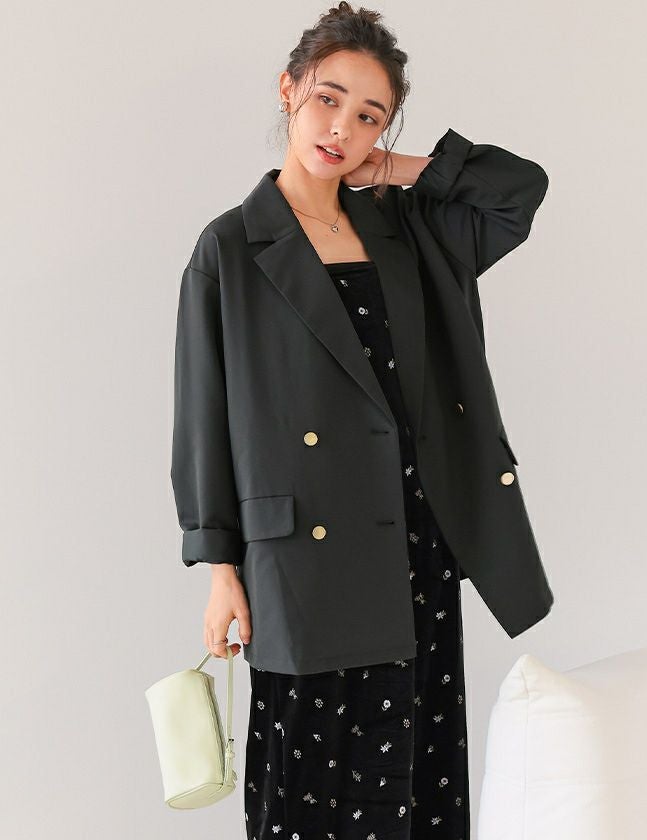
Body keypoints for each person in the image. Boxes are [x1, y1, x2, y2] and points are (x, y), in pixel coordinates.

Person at [171, 3, 553, 837]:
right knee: (308, 796)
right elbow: (203, 418)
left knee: (417, 787)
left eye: (369, 115)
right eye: (327, 99)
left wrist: (402, 168)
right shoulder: (231, 248)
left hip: (413, 543)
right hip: (301, 560)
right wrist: (220, 568)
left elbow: (518, 191)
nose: (341, 128)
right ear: (288, 90)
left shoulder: (408, 229)